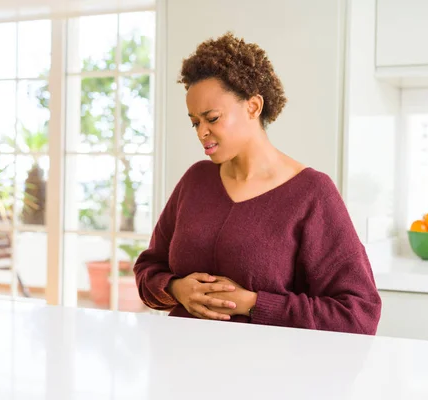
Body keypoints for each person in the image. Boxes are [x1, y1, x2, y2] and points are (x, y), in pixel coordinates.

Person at [133, 32, 381, 334]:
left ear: (253, 107)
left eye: (212, 118)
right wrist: (175, 289)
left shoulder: (312, 193)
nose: (201, 132)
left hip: (266, 375)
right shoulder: (195, 181)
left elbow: (358, 314)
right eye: (195, 122)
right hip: (177, 368)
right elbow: (148, 270)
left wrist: (252, 303)